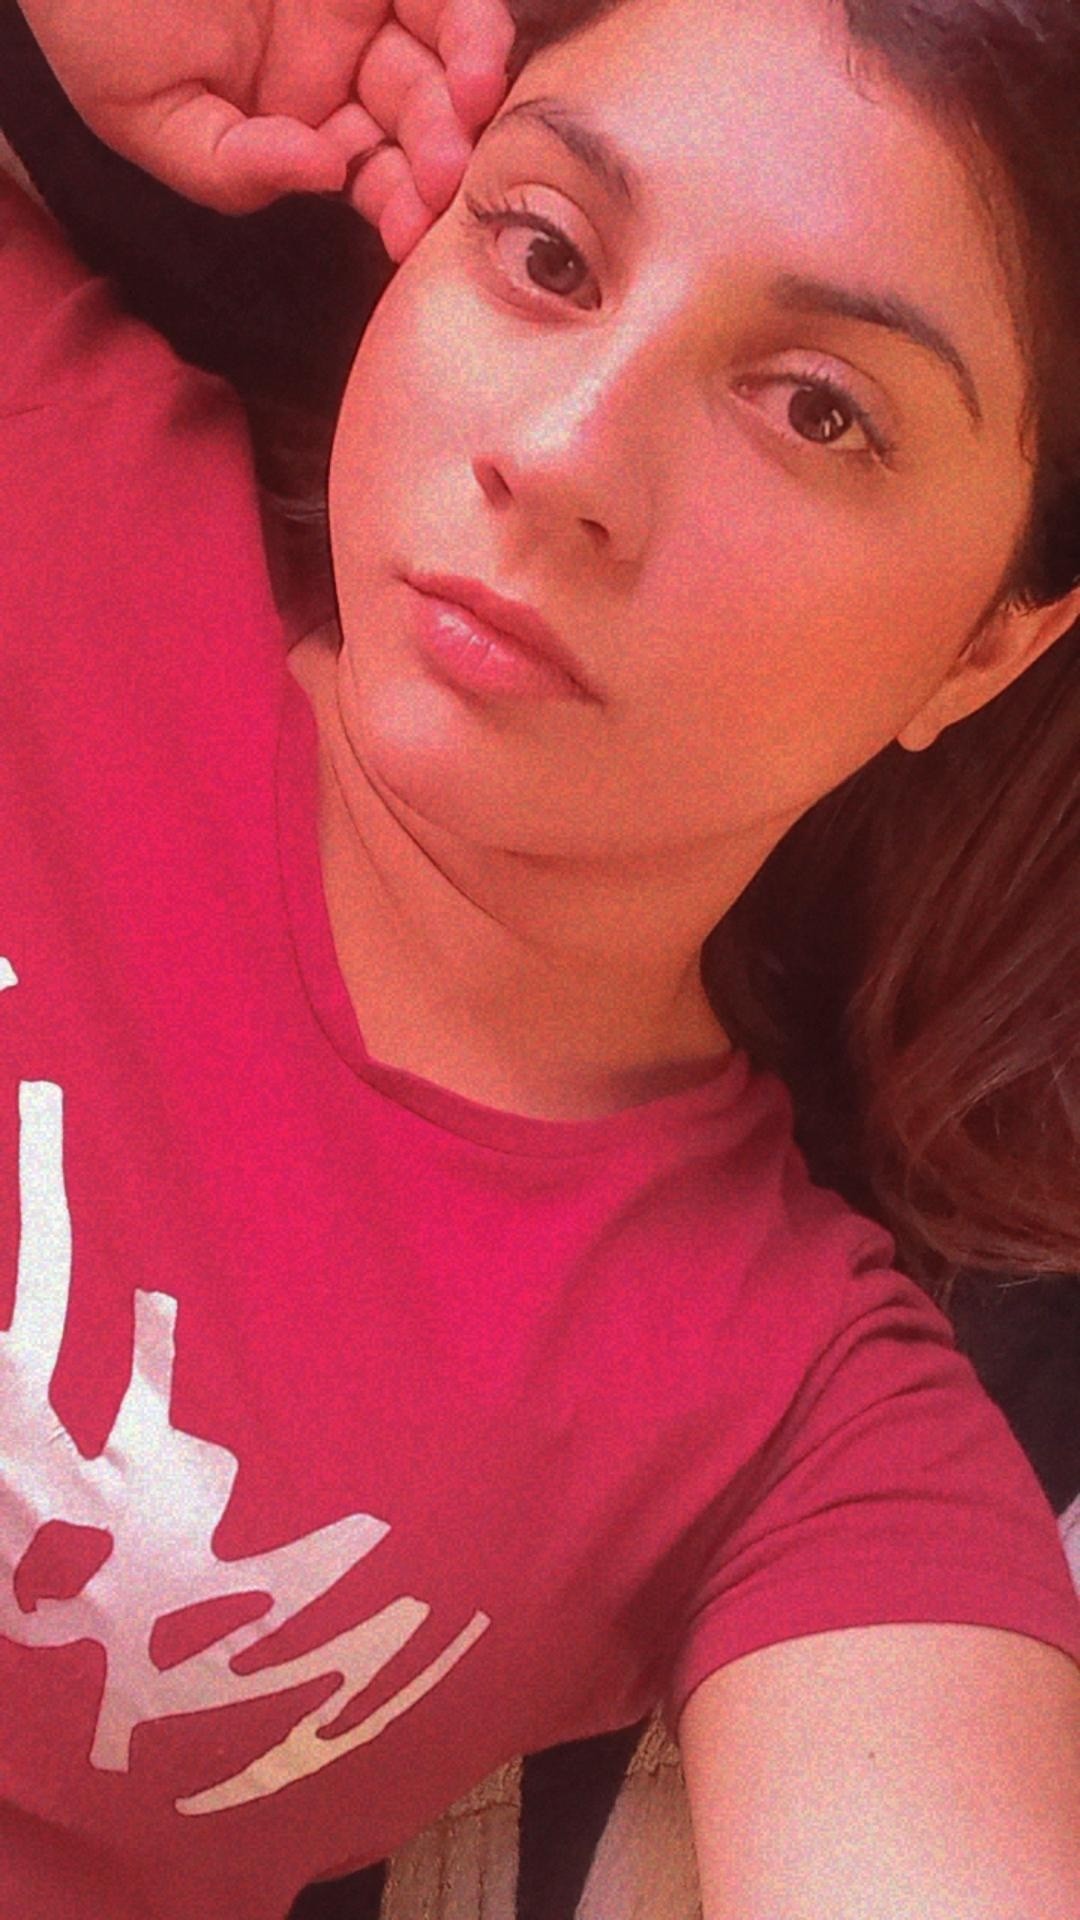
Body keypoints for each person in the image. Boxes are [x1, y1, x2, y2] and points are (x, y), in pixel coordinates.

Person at [0, 1, 1078, 1917]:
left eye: (819, 409)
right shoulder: (38, 446)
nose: (566, 451)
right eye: (550, 255)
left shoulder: (793, 1427)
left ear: (993, 642)